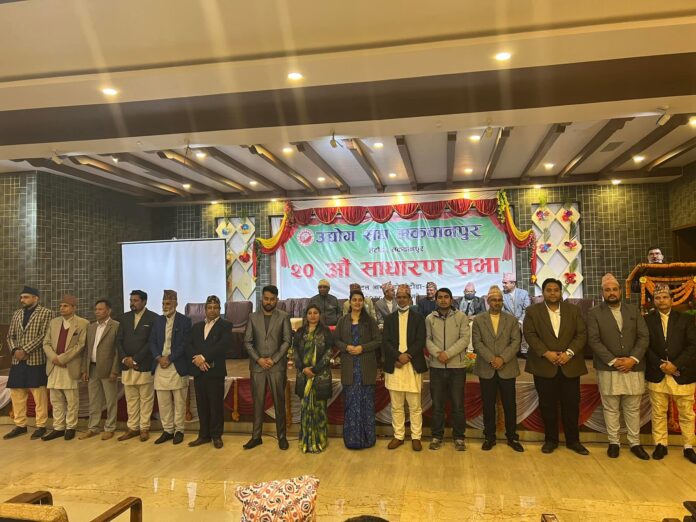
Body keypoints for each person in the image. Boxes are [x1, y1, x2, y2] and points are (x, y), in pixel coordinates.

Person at [523, 278, 589, 455]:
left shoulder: (573, 310)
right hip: (544, 365)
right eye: (549, 290)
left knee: (571, 405)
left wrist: (569, 353)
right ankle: (550, 440)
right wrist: (547, 353)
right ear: (543, 292)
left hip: (570, 365)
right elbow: (530, 334)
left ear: (561, 292)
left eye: (556, 290)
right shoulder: (532, 311)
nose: (552, 293)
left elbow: (581, 334)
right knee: (547, 405)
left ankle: (573, 441)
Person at [588, 273, 650, 460]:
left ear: (620, 291)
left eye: (614, 289)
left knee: (632, 408)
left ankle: (635, 443)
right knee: (611, 408)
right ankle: (613, 442)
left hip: (633, 367)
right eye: (607, 290)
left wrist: (632, 359)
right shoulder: (594, 313)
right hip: (608, 368)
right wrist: (614, 361)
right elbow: (594, 340)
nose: (612, 293)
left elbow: (644, 336)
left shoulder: (633, 311)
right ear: (602, 293)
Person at [644, 285, 696, 463]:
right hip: (657, 372)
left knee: (687, 413)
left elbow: (693, 345)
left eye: (665, 297)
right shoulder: (647, 320)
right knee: (658, 412)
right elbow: (645, 346)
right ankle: (660, 444)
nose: (662, 301)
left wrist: (675, 365)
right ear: (654, 301)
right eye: (658, 298)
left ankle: (688, 446)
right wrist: (660, 364)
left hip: (682, 373)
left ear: (672, 300)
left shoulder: (686, 319)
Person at [472, 286, 523, 452]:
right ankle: (489, 437)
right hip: (486, 368)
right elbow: (477, 343)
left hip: (507, 367)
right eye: (494, 300)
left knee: (510, 405)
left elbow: (516, 342)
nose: (497, 303)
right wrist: (492, 359)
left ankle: (512, 437)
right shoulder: (479, 320)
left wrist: (502, 359)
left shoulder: (512, 320)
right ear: (488, 302)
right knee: (488, 405)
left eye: (500, 300)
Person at [243, 285, 292, 450]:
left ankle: (282, 437)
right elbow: (247, 341)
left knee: (279, 402)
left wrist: (274, 359)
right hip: (257, 367)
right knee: (257, 403)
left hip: (276, 366)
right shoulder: (252, 317)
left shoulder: (284, 316)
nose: (269, 302)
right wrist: (258, 359)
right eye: (266, 299)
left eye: (272, 299)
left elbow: (287, 340)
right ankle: (256, 437)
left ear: (276, 300)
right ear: (261, 299)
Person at [4, 286, 54, 441]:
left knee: (39, 395)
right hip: (17, 360)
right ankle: (20, 425)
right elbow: (10, 336)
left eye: (26, 297)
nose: (22, 300)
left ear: (35, 298)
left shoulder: (46, 313)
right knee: (17, 393)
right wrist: (15, 351)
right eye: (21, 297)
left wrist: (25, 350)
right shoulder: (17, 314)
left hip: (35, 360)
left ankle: (41, 426)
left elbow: (44, 336)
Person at [383, 284, 427, 451]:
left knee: (415, 406)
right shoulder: (389, 319)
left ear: (409, 299)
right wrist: (397, 357)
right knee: (396, 406)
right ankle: (399, 436)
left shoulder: (419, 318)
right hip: (395, 366)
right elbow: (385, 342)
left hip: (412, 365)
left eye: (404, 297)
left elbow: (421, 340)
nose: (401, 299)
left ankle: (416, 437)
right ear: (396, 299)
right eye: (399, 297)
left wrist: (406, 356)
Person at [425, 287, 470, 451]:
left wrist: (448, 354)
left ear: (451, 299)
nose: (443, 300)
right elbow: (427, 339)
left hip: (456, 367)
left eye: (446, 297)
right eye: (440, 297)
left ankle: (459, 438)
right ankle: (437, 436)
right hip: (437, 367)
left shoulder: (461, 317)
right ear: (436, 300)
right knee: (437, 405)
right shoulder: (429, 318)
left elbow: (465, 339)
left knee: (458, 405)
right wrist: (439, 354)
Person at [335, 289, 381, 449]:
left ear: (364, 302)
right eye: (354, 300)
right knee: (351, 404)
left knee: (366, 404)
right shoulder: (343, 321)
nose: (357, 302)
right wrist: (346, 347)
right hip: (349, 368)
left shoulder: (370, 321)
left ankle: (368, 439)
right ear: (349, 302)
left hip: (366, 368)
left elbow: (378, 341)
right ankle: (352, 440)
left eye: (360, 300)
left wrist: (362, 348)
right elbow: (336, 340)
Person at [187, 295, 232, 449]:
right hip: (199, 372)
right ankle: (203, 435)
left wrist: (204, 358)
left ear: (220, 309)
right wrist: (197, 360)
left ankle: (216, 436)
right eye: (209, 307)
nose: (212, 310)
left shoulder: (226, 325)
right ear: (205, 309)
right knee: (202, 405)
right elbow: (189, 345)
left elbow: (222, 345)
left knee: (215, 406)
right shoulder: (196, 326)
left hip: (215, 372)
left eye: (215, 308)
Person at [41, 295, 89, 441]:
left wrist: (62, 358)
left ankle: (71, 427)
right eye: (61, 306)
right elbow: (46, 343)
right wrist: (54, 358)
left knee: (71, 400)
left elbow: (80, 345)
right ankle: (58, 427)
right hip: (54, 365)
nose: (62, 308)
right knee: (55, 399)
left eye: (65, 306)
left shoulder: (83, 323)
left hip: (70, 366)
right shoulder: (54, 322)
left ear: (74, 308)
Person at [150, 290, 192, 445]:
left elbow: (185, 343)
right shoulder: (158, 321)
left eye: (168, 303)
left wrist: (170, 358)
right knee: (163, 401)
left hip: (176, 365)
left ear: (176, 303)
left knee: (179, 401)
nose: (164, 306)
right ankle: (167, 430)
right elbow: (152, 341)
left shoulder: (184, 321)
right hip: (160, 365)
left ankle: (179, 430)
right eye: (163, 303)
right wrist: (158, 358)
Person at [117, 289, 158, 442]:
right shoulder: (124, 318)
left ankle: (144, 428)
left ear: (144, 301)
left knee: (146, 399)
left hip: (143, 364)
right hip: (126, 365)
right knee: (131, 399)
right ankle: (132, 427)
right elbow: (119, 341)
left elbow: (151, 342)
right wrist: (125, 359)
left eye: (135, 300)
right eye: (131, 300)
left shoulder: (153, 318)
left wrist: (135, 359)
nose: (132, 303)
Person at [293, 304, 334, 453]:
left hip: (320, 376)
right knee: (305, 409)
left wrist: (315, 370)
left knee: (320, 410)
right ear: (306, 315)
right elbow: (294, 351)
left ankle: (320, 440)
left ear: (320, 315)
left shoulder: (326, 332)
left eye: (315, 312)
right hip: (304, 376)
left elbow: (329, 351)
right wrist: (304, 368)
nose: (312, 315)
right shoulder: (300, 332)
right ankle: (306, 440)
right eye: (309, 313)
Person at [80, 299, 120, 440]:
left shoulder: (116, 326)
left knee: (110, 400)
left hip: (108, 369)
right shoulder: (91, 327)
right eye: (96, 309)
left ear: (109, 311)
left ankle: (110, 427)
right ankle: (93, 428)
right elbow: (87, 349)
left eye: (100, 309)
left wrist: (115, 370)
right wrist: (84, 369)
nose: (97, 312)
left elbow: (117, 351)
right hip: (92, 368)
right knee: (94, 400)